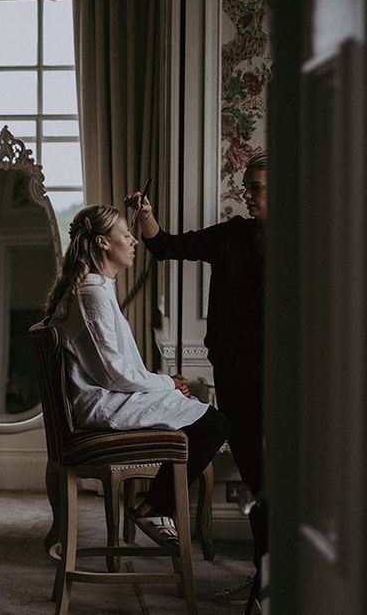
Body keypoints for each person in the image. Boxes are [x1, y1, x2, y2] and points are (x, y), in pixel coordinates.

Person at [43, 204, 229, 548]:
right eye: (126, 235)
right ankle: (153, 508)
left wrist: (165, 384)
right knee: (213, 423)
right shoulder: (93, 294)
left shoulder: (96, 289)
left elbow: (114, 369)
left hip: (106, 396)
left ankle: (154, 506)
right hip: (103, 404)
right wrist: (166, 382)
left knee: (196, 411)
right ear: (102, 242)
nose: (135, 242)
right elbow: (114, 374)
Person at [126, 152, 267, 599]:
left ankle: (279, 578)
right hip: (236, 375)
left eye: (256, 187)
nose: (247, 194)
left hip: (288, 382)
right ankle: (265, 576)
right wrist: (146, 217)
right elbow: (166, 246)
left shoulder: (310, 243)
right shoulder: (232, 235)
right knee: (256, 478)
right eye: (247, 185)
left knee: (282, 479)